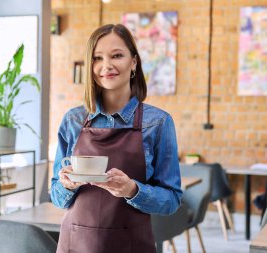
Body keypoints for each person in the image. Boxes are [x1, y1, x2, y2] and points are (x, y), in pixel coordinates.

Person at [51, 23, 182, 253]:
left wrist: (132, 190)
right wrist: (67, 186)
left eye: (117, 55)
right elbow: (56, 196)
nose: (106, 66)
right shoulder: (72, 120)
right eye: (97, 58)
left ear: (134, 62)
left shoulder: (158, 123)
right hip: (76, 246)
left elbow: (172, 200)